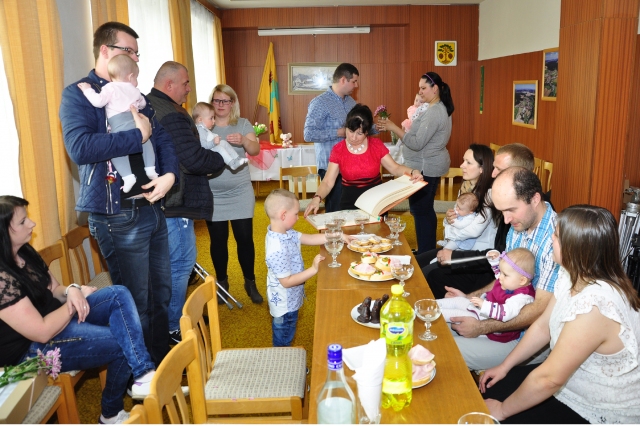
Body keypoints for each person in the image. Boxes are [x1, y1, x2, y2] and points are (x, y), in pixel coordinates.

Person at [59, 21, 178, 364]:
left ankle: (162, 369)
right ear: (105, 50)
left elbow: (162, 136)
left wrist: (170, 175)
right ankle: (141, 378)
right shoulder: (80, 93)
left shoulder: (131, 88)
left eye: (137, 53)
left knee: (161, 296)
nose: (135, 59)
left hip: (152, 204)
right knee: (136, 305)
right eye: (129, 51)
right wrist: (137, 136)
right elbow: (81, 148)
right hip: (118, 213)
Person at [0, 196, 158, 424]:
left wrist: (72, 290)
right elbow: (42, 332)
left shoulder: (25, 251)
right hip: (32, 348)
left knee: (118, 293)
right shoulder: (2, 279)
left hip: (59, 318)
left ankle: (143, 374)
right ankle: (111, 413)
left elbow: (54, 288)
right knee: (121, 342)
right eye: (23, 221)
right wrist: (73, 303)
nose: (32, 224)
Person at [479, 205, 640, 424]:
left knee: (489, 414)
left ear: (575, 248)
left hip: (595, 407)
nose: (550, 240)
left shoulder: (595, 305)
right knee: (490, 388)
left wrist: (502, 411)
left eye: (555, 236)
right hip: (568, 382)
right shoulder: (571, 274)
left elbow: (550, 379)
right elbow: (543, 327)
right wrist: (505, 366)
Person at [444, 167, 559, 371]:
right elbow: (504, 277)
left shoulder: (556, 240)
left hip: (524, 339)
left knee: (441, 350)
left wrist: (481, 327)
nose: (505, 220)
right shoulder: (520, 224)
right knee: (434, 326)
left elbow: (539, 310)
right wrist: (469, 298)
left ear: (534, 199)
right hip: (497, 316)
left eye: (511, 210)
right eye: (501, 211)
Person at [146, 62, 226, 344]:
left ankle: (171, 321)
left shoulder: (150, 105)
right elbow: (192, 159)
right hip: (175, 203)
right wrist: (220, 159)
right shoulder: (172, 114)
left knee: (170, 267)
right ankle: (173, 327)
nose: (189, 88)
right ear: (169, 85)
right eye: (185, 83)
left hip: (165, 203)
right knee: (179, 266)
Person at [426, 143, 536, 299]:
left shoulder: (495, 197)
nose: (493, 174)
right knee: (423, 264)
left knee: (432, 275)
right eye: (494, 168)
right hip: (485, 261)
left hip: (488, 266)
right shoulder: (472, 190)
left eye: (498, 170)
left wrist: (455, 256)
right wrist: (451, 224)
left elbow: (495, 252)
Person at [377, 71, 454, 254]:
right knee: (423, 209)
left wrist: (393, 127)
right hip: (424, 166)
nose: (420, 92)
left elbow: (417, 143)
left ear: (435, 88)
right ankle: (426, 250)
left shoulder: (434, 111)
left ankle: (426, 253)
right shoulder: (434, 107)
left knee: (421, 210)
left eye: (423, 88)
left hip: (425, 168)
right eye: (419, 88)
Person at [265, 189, 351, 347]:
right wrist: (313, 269)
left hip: (291, 299)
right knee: (283, 339)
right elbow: (286, 281)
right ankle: (283, 361)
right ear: (283, 215)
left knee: (287, 333)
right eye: (295, 214)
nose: (298, 217)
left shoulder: (285, 232)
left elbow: (309, 238)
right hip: (285, 306)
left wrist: (337, 236)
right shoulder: (276, 249)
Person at [304, 104, 423, 215]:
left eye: (359, 133)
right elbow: (327, 182)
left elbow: (395, 168)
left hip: (376, 203)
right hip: (349, 203)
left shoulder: (376, 145)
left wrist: (412, 172)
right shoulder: (338, 149)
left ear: (367, 132)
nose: (353, 137)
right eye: (350, 131)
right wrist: (317, 198)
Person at [206, 84, 262, 304]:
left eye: (225, 101)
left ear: (232, 103)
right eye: (217, 100)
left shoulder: (242, 123)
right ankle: (222, 283)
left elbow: (255, 149)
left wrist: (245, 141)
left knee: (245, 239)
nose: (221, 105)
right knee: (218, 241)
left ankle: (250, 282)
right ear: (212, 102)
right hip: (213, 194)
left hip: (240, 192)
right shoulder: (204, 125)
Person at [77, 55, 157, 193]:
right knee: (146, 142)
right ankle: (150, 168)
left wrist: (87, 90)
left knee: (117, 152)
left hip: (119, 126)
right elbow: (143, 103)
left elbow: (98, 101)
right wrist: (137, 104)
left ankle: (128, 176)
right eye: (136, 78)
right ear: (130, 76)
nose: (136, 82)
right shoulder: (135, 90)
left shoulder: (110, 88)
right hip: (135, 123)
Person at [417, 144, 497, 279]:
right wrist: (449, 219)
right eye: (463, 160)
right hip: (458, 245)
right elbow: (455, 218)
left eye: (468, 162)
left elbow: (474, 231)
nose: (461, 165)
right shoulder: (466, 187)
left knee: (426, 274)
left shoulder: (489, 195)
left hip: (476, 255)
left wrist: (450, 231)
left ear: (482, 169)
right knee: (416, 262)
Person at [438, 248, 535, 344]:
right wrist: (494, 260)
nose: (500, 277)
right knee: (459, 300)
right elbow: (498, 273)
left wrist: (484, 305)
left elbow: (505, 313)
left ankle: (432, 313)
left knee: (457, 313)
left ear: (522, 280)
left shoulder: (522, 297)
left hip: (493, 324)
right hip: (484, 312)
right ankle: (433, 305)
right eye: (501, 272)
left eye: (505, 275)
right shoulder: (512, 281)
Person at [303, 63, 360, 213]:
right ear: (343, 80)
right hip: (331, 167)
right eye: (354, 81)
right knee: (336, 212)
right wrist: (338, 132)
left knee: (352, 210)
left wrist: (376, 126)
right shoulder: (320, 103)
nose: (356, 85)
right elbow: (308, 134)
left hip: (352, 164)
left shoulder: (351, 102)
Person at [192, 102, 248, 170]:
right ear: (200, 120)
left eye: (214, 118)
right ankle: (232, 164)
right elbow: (203, 145)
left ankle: (237, 158)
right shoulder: (200, 129)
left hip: (211, 147)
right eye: (211, 118)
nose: (214, 121)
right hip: (208, 151)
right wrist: (213, 142)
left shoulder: (204, 128)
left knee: (224, 142)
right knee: (220, 148)